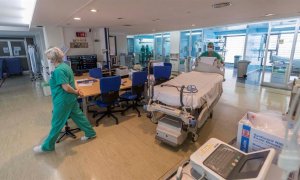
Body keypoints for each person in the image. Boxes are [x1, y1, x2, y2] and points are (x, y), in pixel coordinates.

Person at [33, 47, 96, 153]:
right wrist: (76, 91)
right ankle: (90, 133)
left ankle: (47, 146)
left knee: (57, 123)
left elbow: (66, 87)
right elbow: (71, 82)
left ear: (53, 59)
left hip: (63, 100)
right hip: (70, 99)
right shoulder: (66, 66)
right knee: (79, 117)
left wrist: (76, 92)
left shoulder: (59, 70)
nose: (49, 60)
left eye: (49, 58)